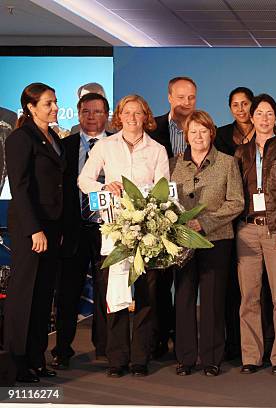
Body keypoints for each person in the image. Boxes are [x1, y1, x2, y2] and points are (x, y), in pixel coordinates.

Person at [78, 94, 169, 377]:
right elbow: (83, 180)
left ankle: (140, 357)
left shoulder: (157, 149)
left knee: (146, 295)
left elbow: (164, 190)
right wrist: (105, 187)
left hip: (147, 233)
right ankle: (117, 358)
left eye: (137, 113)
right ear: (119, 116)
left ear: (146, 116)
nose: (132, 118)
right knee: (115, 296)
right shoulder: (106, 145)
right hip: (116, 232)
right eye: (126, 112)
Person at [170, 110, 244, 376]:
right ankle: (185, 358)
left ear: (211, 133)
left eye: (203, 131)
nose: (198, 136)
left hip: (216, 240)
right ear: (186, 136)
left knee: (213, 300)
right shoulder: (173, 163)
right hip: (182, 242)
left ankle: (212, 357)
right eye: (193, 132)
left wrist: (205, 222)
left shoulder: (227, 162)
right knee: (185, 297)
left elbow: (237, 202)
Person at [234, 94, 276, 375]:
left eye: (269, 113)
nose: (263, 118)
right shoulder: (241, 152)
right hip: (247, 231)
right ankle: (251, 356)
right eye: (259, 113)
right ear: (251, 116)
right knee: (249, 297)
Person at [3, 83, 65, 382]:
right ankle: (17, 363)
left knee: (43, 296)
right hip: (32, 228)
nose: (54, 107)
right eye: (48, 103)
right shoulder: (20, 138)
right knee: (23, 295)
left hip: (52, 226)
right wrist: (34, 230)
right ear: (31, 107)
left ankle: (36, 358)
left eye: (55, 102)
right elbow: (21, 187)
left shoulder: (53, 137)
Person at [214, 86, 276, 362]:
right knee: (240, 293)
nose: (241, 109)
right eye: (236, 105)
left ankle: (272, 348)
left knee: (272, 295)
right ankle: (241, 350)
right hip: (240, 223)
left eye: (245, 104)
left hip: (271, 226)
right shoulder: (224, 138)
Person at [51, 92, 112, 369]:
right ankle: (62, 350)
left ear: (107, 115)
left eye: (97, 111)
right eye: (86, 111)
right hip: (73, 230)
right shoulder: (64, 146)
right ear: (77, 115)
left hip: (108, 229)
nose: (91, 117)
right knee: (67, 293)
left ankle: (105, 347)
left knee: (106, 292)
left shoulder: (116, 145)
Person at [148, 76, 198, 359]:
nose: (186, 103)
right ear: (169, 97)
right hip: (159, 218)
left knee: (187, 285)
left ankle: (184, 342)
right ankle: (158, 339)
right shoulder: (153, 129)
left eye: (191, 97)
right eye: (181, 97)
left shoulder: (204, 127)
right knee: (158, 284)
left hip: (191, 217)